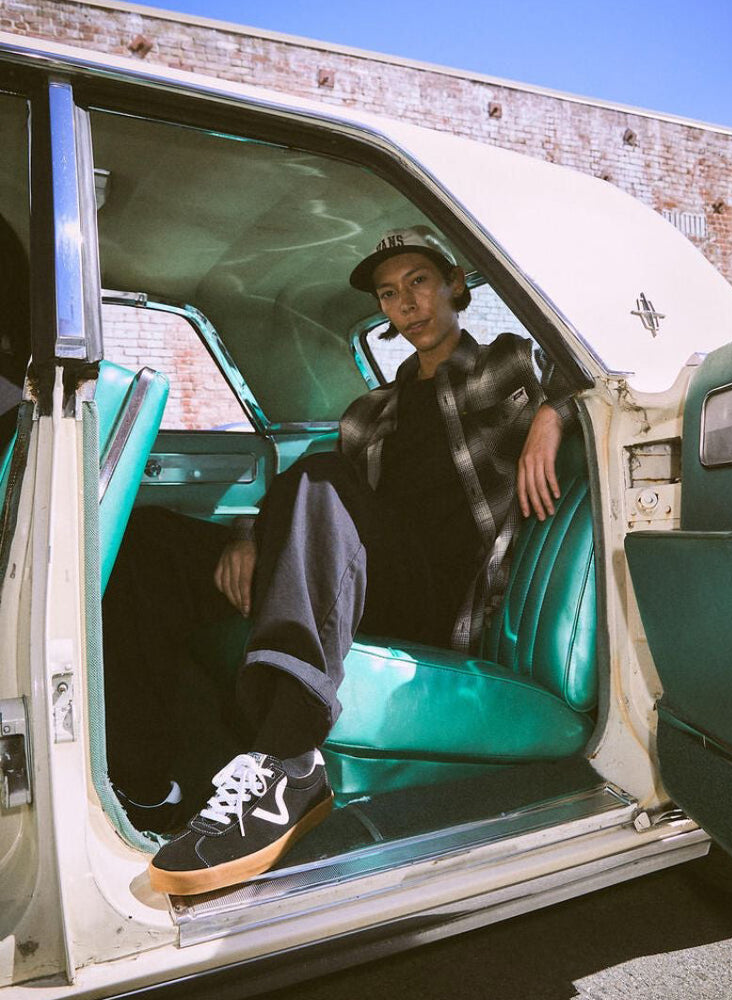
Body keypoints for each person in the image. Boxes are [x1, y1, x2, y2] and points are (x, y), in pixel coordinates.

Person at [124, 225, 573, 895]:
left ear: (454, 284)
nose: (406, 304)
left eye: (419, 282)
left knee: (324, 474)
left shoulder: (506, 363)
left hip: (438, 594)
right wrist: (247, 535)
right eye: (390, 295)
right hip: (362, 573)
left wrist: (552, 416)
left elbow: (598, 375)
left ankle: (289, 756)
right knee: (149, 536)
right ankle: (144, 780)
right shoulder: (373, 412)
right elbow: (306, 492)